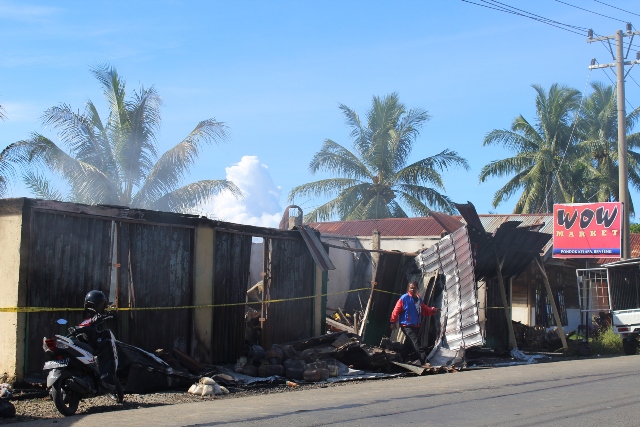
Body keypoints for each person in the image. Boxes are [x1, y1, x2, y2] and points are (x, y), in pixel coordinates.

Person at [390, 281, 441, 365]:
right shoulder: (404, 298)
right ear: (408, 289)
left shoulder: (418, 299)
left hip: (415, 325)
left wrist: (433, 310)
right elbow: (396, 311)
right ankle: (424, 361)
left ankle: (399, 358)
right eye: (411, 288)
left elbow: (424, 310)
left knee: (409, 345)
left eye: (414, 288)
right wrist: (392, 321)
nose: (412, 289)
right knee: (416, 343)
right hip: (406, 325)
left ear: (417, 288)